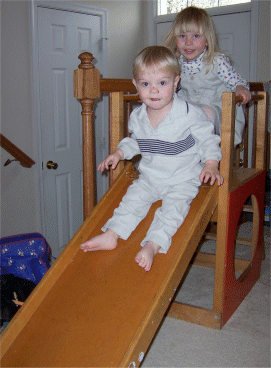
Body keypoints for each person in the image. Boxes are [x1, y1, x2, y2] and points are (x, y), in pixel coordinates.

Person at [80, 46, 223, 272]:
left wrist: (211, 163)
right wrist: (119, 153)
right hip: (150, 177)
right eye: (146, 84)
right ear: (136, 85)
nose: (154, 90)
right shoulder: (138, 116)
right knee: (131, 201)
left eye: (162, 83)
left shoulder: (189, 113)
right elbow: (136, 141)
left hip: (182, 178)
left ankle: (153, 245)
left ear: (176, 83)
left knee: (173, 211)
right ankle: (111, 234)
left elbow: (208, 139)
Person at [165, 6, 251, 146]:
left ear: (207, 40)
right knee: (168, 112)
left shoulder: (217, 61)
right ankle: (172, 150)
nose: (188, 42)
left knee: (204, 113)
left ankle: (204, 151)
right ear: (175, 39)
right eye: (182, 36)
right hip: (189, 107)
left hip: (217, 111)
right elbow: (166, 82)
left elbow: (237, 82)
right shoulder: (176, 63)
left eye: (196, 36)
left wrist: (240, 88)